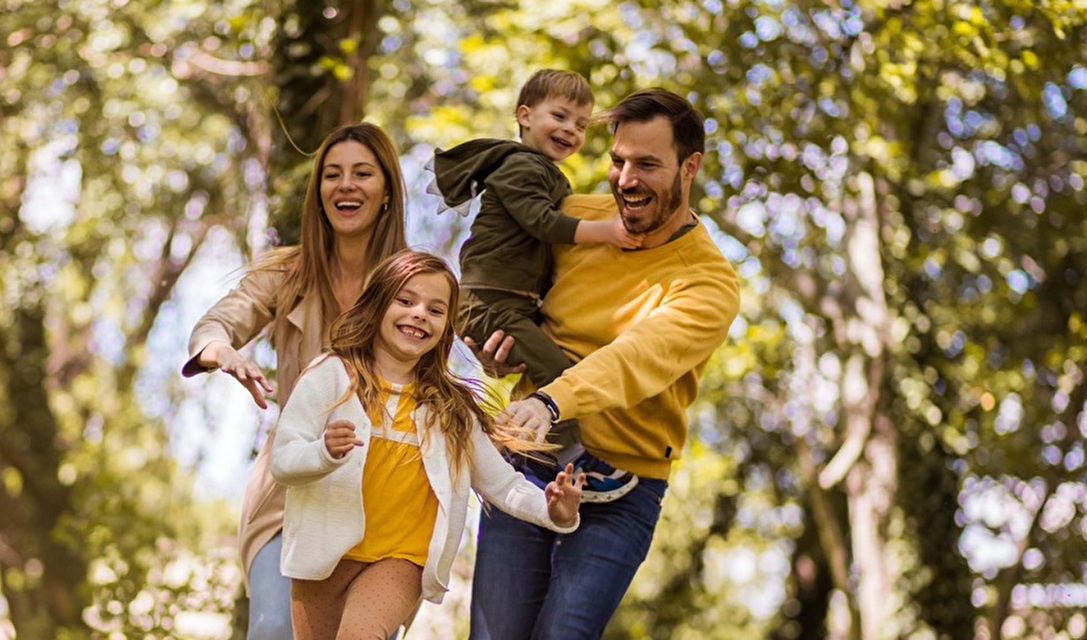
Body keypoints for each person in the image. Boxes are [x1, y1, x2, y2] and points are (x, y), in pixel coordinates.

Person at [466, 88, 743, 639]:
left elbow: (636, 358)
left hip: (622, 488)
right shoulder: (572, 222)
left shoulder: (708, 283)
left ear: (690, 168)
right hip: (528, 458)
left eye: (647, 165)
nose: (625, 179)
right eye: (617, 161)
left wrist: (552, 400)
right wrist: (491, 344)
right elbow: (501, 277)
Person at [270, 250, 584, 640]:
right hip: (322, 557)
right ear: (378, 303)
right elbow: (283, 461)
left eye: (436, 310)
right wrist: (323, 453)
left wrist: (556, 512)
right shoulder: (330, 376)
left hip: (401, 560)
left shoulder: (451, 410)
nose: (420, 313)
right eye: (406, 300)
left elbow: (503, 484)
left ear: (445, 328)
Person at [181, 122, 412, 639]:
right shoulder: (287, 274)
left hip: (379, 502)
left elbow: (460, 353)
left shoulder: (413, 284)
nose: (345, 186)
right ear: (319, 193)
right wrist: (218, 349)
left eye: (361, 174)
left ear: (387, 192)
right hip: (291, 490)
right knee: (273, 627)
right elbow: (219, 321)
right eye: (332, 175)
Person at [432, 69, 640, 415]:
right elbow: (541, 222)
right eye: (559, 116)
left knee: (557, 369)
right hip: (489, 303)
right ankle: (561, 455)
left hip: (510, 304)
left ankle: (537, 450)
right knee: (560, 380)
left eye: (581, 125)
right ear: (525, 116)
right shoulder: (521, 167)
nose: (570, 130)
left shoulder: (543, 171)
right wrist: (607, 231)